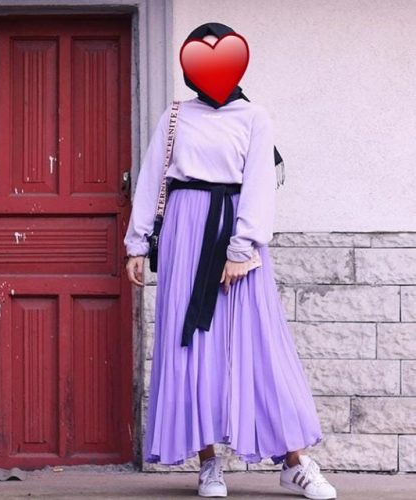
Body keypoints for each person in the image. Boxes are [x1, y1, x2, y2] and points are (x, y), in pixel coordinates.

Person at [124, 21, 337, 500]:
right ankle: (208, 464)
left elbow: (259, 182)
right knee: (191, 349)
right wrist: (137, 243)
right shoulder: (176, 116)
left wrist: (243, 248)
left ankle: (295, 463)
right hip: (184, 233)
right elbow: (153, 176)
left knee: (258, 347)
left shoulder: (254, 116)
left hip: (236, 232)